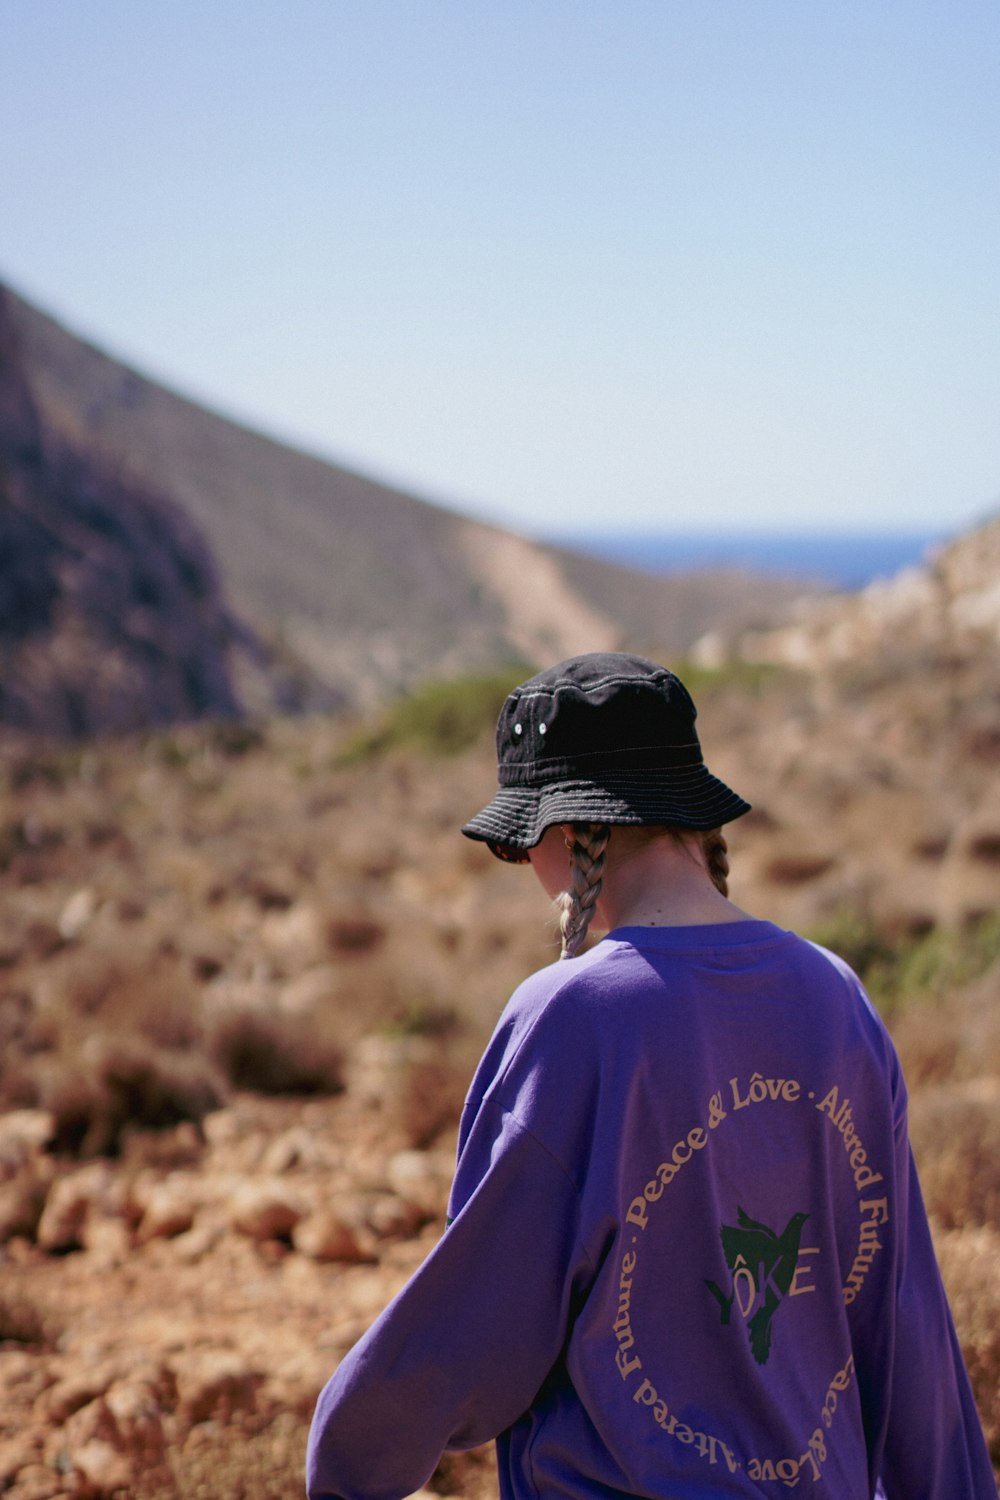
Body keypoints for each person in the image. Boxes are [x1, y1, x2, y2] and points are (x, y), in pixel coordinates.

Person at [307, 652, 996, 1499]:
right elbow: (903, 1321)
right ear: (685, 820)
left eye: (520, 844)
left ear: (572, 833)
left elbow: (480, 1322)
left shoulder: (573, 1015)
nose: (527, 868)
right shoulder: (835, 997)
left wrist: (346, 1462)